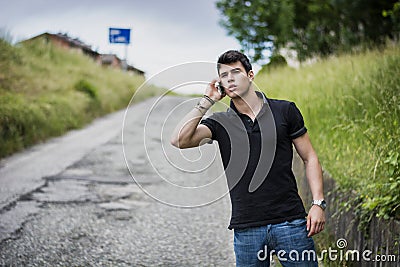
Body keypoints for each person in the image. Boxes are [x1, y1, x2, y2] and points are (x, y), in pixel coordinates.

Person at [170, 50, 325, 266]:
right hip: (247, 228)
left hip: (290, 223)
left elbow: (310, 157)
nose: (230, 78)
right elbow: (179, 140)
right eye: (224, 75)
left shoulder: (284, 111)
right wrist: (207, 101)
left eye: (236, 72)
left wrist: (318, 203)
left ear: (250, 75)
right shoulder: (220, 123)